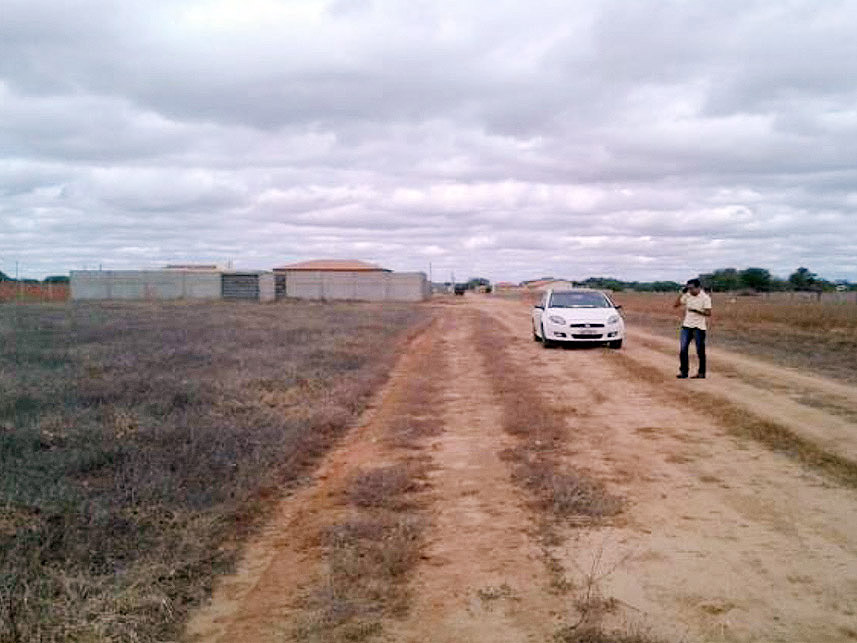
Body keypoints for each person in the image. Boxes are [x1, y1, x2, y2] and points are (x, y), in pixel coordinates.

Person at [673, 278, 711, 379]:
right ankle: (684, 372)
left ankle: (701, 372)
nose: (690, 290)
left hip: (699, 327)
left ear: (698, 287)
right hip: (687, 326)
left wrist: (695, 311)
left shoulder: (705, 298)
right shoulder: (687, 295)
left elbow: (708, 313)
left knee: (700, 351)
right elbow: (676, 305)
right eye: (688, 288)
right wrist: (681, 293)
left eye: (692, 288)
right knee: (683, 350)